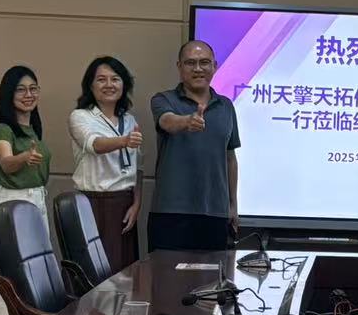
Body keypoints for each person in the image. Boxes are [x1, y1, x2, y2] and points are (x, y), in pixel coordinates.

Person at [148, 40, 240, 253]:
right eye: (190, 63)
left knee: (214, 274)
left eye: (204, 62)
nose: (198, 68)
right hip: (170, 212)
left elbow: (230, 158)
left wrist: (233, 205)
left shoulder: (226, 106)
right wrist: (186, 121)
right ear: (179, 67)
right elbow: (167, 121)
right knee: (164, 273)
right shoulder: (163, 99)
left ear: (214, 66)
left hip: (215, 213)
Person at [0, 65, 51, 315]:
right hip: (12, 205)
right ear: (8, 94)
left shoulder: (33, 128)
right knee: (7, 277)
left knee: (34, 275)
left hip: (36, 202)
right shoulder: (3, 129)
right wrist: (23, 158)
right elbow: (6, 162)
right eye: (20, 90)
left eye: (33, 89)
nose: (28, 94)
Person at [69, 55, 144, 274]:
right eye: (101, 79)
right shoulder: (80, 117)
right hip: (92, 204)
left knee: (126, 273)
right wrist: (124, 141)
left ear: (124, 85)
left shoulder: (129, 120)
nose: (109, 85)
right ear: (90, 85)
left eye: (115, 79)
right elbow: (95, 145)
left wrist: (137, 204)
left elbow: (137, 168)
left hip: (125, 204)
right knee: (97, 274)